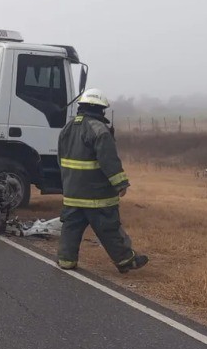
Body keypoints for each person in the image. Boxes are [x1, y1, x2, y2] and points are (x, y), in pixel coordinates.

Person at [56, 88, 148, 273]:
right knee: (109, 228)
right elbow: (109, 161)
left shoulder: (67, 128)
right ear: (99, 110)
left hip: (72, 192)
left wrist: (69, 181)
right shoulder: (100, 130)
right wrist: (121, 184)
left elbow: (60, 159)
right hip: (96, 194)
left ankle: (66, 261)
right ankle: (125, 261)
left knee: (71, 228)